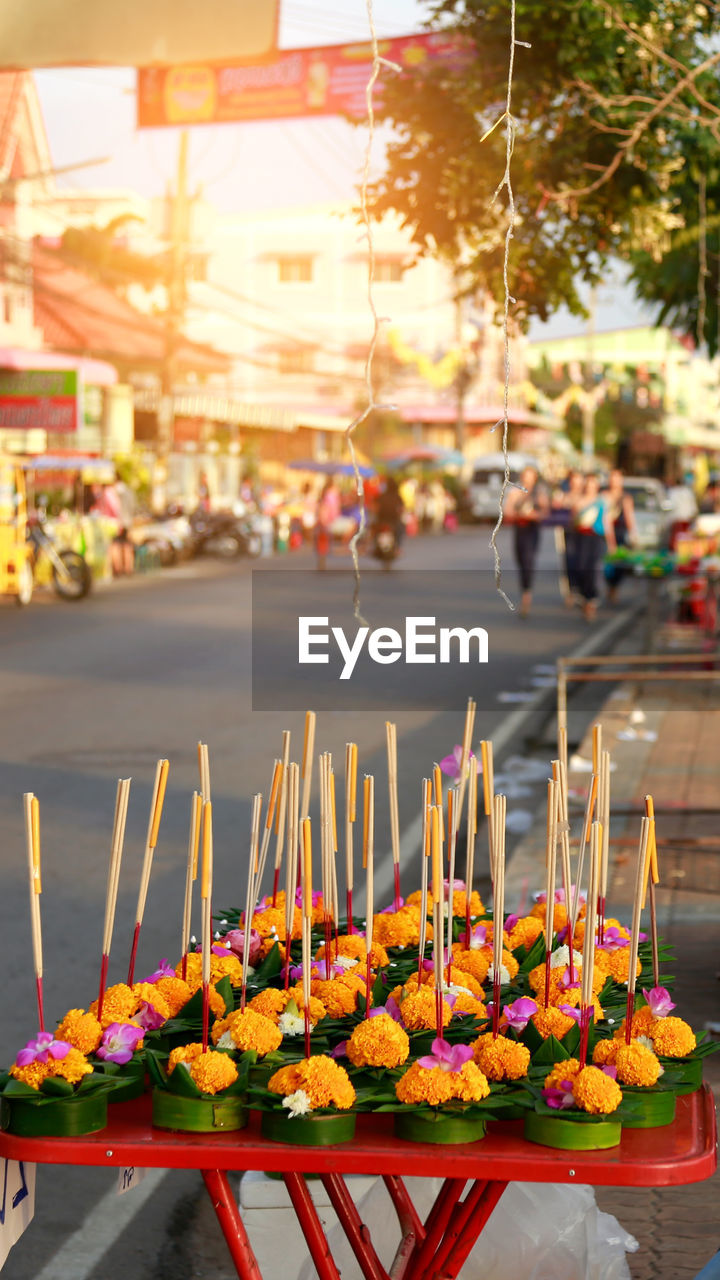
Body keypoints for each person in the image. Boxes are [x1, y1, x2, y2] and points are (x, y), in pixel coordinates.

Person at [504, 465, 549, 616]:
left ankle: (526, 596)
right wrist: (520, 514)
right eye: (526, 476)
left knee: (529, 561)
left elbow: (545, 512)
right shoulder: (515, 491)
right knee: (521, 561)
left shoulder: (539, 492)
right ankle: (524, 589)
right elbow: (507, 511)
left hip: (532, 530)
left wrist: (534, 515)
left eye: (531, 476)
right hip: (520, 529)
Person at [573, 473, 607, 621]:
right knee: (581, 568)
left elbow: (606, 523)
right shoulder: (579, 501)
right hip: (581, 538)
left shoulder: (601, 502)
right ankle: (584, 597)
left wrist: (611, 543)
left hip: (596, 538)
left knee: (594, 569)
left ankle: (591, 603)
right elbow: (574, 521)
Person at [602, 469, 637, 602]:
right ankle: (610, 587)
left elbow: (629, 516)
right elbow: (604, 518)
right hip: (606, 533)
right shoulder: (604, 495)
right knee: (608, 564)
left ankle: (614, 588)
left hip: (620, 533)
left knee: (620, 564)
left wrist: (633, 533)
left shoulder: (625, 497)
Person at [315, 477, 341, 569]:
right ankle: (322, 558)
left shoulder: (326, 495)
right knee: (324, 540)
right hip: (327, 521)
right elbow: (327, 509)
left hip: (326, 521)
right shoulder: (330, 496)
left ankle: (322, 558)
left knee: (323, 540)